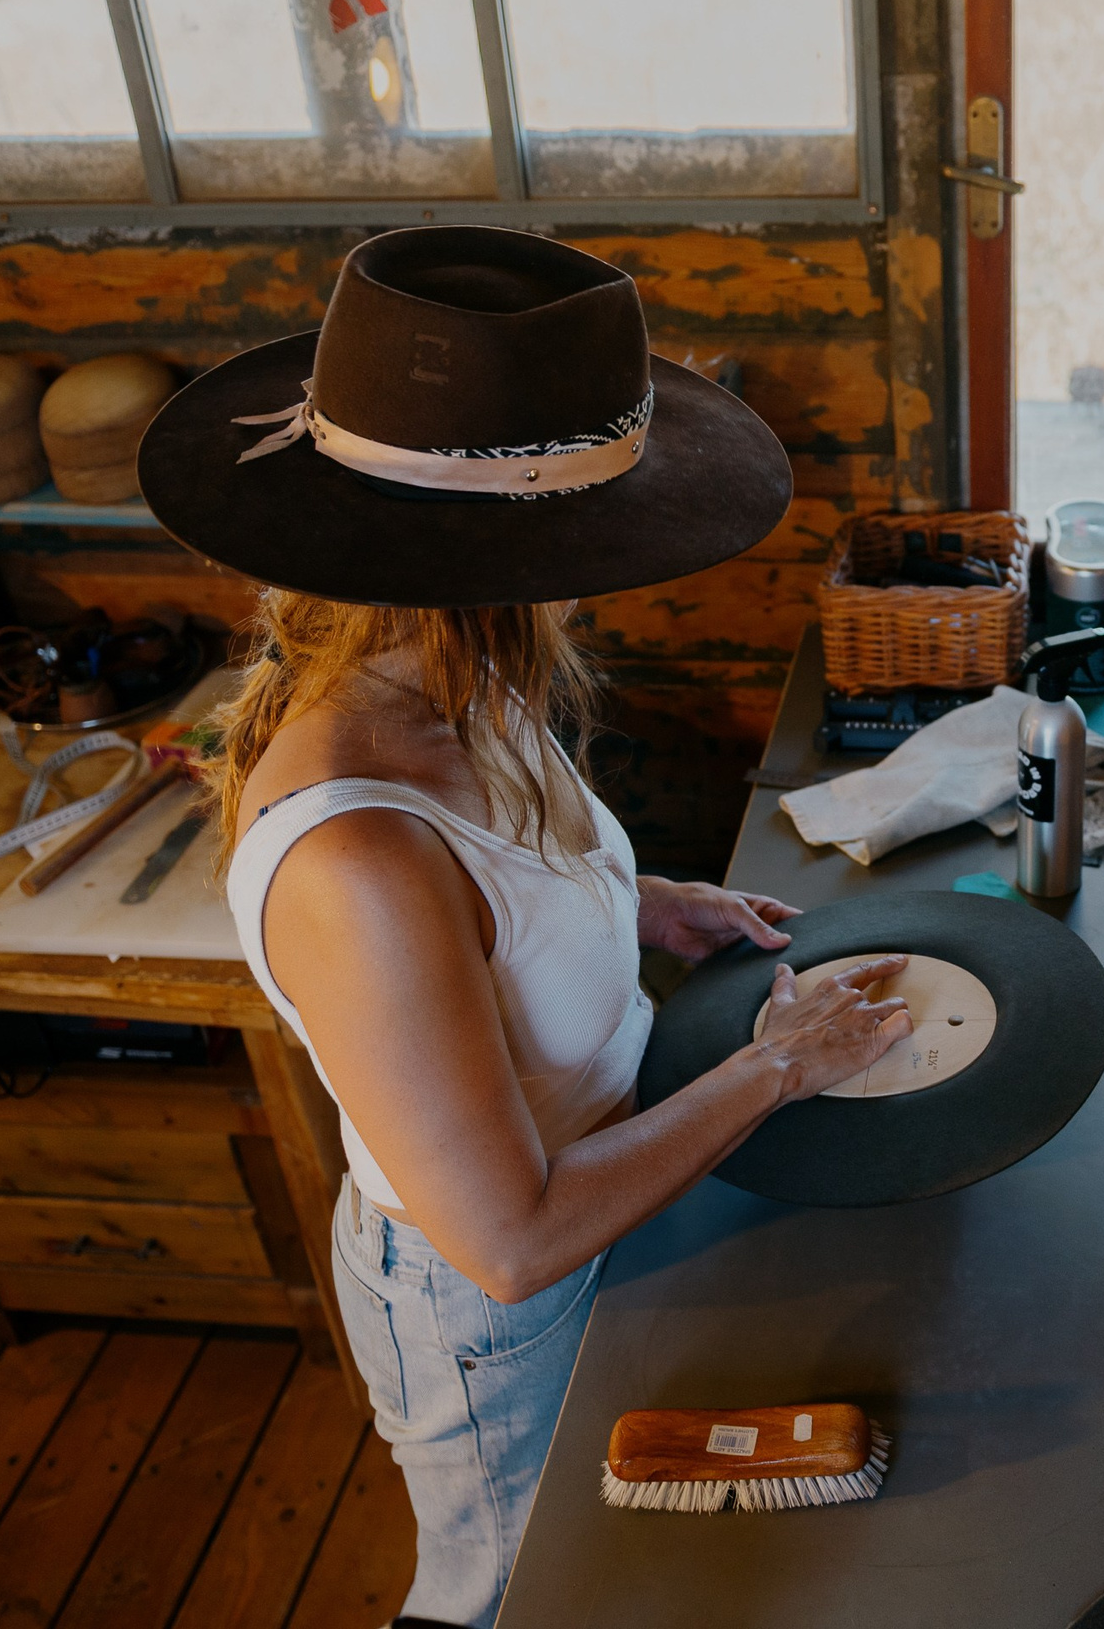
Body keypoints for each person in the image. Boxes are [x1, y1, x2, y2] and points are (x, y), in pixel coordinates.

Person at [140, 226, 916, 1627]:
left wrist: (644, 901)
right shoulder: (359, 856)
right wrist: (780, 1063)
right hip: (490, 1312)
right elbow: (508, 1235)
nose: (594, 576)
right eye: (583, 544)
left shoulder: (459, 687)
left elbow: (506, 903)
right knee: (514, 1594)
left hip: (604, 1178)